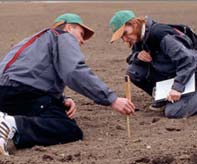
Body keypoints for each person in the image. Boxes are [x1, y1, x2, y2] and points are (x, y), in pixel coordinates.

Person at [0, 13, 135, 155]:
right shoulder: (63, 36)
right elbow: (74, 71)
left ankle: (5, 125)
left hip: (6, 93)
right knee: (67, 128)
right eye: (81, 34)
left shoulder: (33, 40)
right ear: (69, 28)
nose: (82, 41)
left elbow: (30, 73)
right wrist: (111, 99)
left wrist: (62, 99)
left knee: (50, 110)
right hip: (21, 92)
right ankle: (10, 124)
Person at [109, 10, 197, 119]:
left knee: (173, 112)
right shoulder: (140, 37)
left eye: (125, 34)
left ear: (134, 24)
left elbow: (188, 60)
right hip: (175, 72)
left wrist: (178, 87)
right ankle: (164, 98)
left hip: (192, 73)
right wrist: (137, 56)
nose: (125, 39)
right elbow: (130, 59)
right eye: (122, 37)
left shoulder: (158, 33)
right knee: (133, 71)